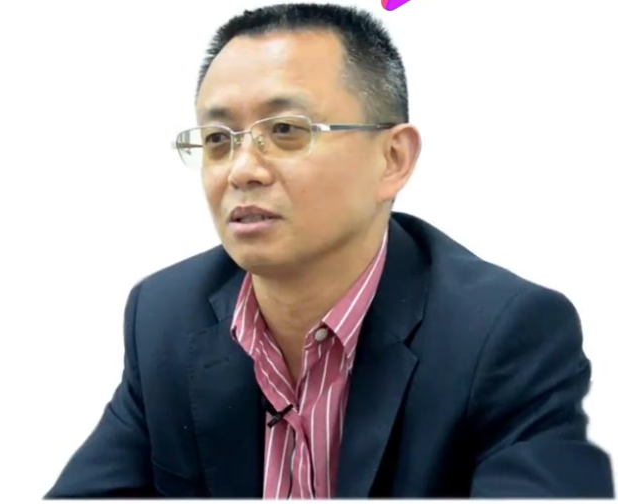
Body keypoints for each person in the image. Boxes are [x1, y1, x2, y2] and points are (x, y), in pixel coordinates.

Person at [45, 2, 614, 499]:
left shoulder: (504, 335)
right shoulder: (165, 317)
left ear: (393, 159)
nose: (242, 170)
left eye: (286, 131)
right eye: (218, 139)